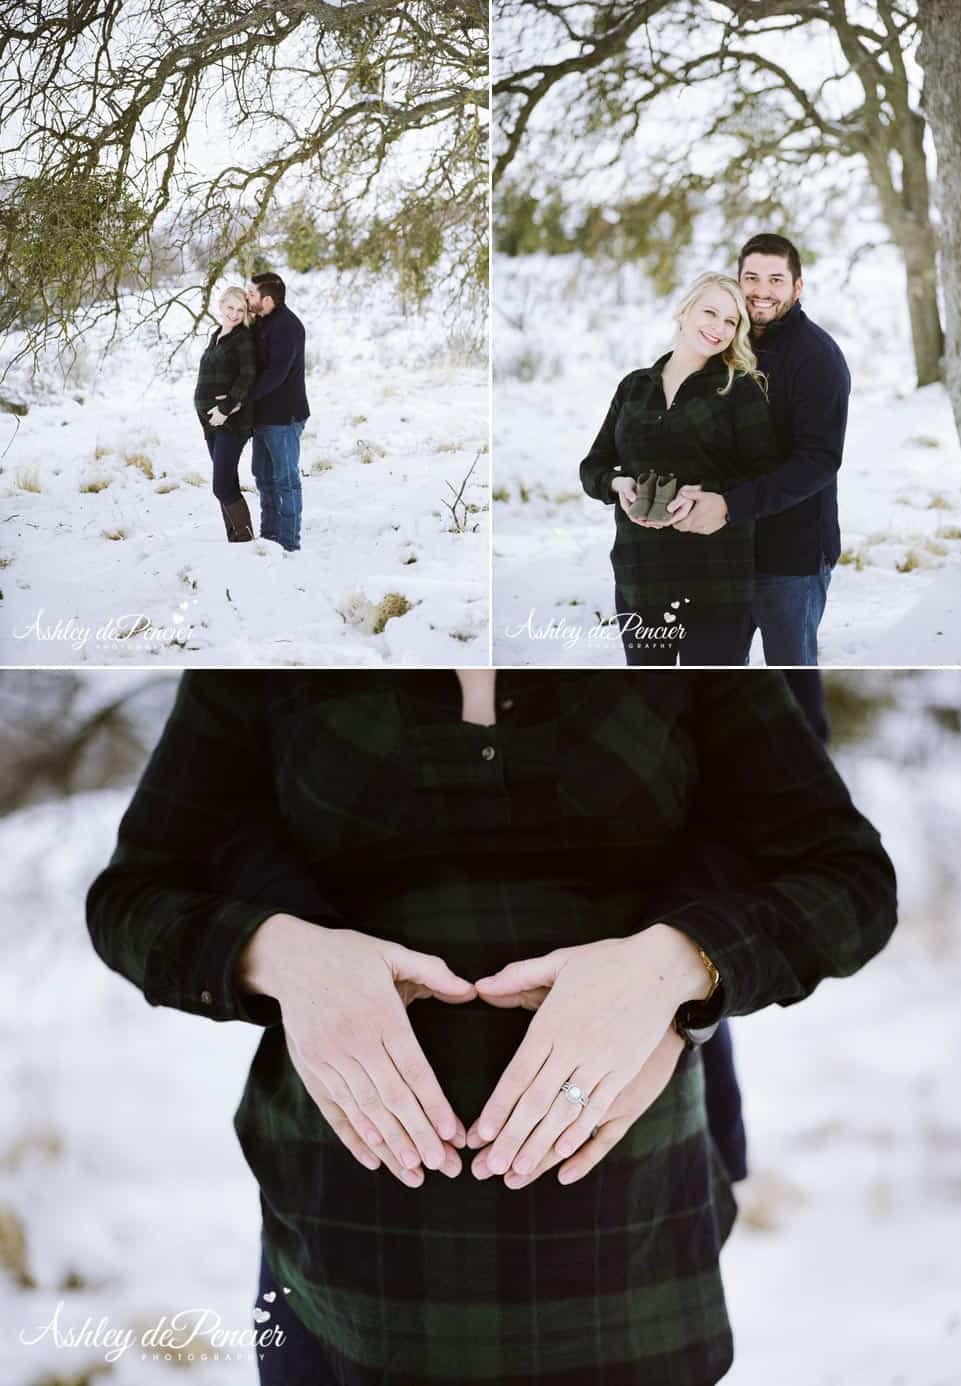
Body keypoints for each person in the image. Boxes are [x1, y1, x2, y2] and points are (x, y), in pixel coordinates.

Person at [85, 668, 897, 1385]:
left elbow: (847, 878)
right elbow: (135, 894)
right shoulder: (278, 647)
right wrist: (277, 956)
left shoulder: (666, 632)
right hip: (341, 1254)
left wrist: (683, 964)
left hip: (629, 1249)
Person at [579, 272, 782, 666]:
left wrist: (712, 497)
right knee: (648, 702)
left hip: (716, 580)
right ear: (683, 311)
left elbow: (766, 477)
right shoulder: (633, 388)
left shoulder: (738, 389)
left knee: (708, 708)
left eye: (731, 321)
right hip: (641, 574)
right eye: (710, 312)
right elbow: (593, 466)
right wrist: (617, 484)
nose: (719, 328)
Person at [668, 234, 851, 666]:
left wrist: (730, 506)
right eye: (751, 278)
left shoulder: (817, 358)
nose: (761, 291)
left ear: (797, 287)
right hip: (719, 552)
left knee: (788, 680)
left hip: (791, 557)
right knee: (709, 677)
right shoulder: (722, 345)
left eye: (776, 279)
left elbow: (819, 461)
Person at [246, 271, 310, 553]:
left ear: (267, 300)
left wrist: (242, 400)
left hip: (284, 417)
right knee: (262, 476)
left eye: (252, 294)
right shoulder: (261, 322)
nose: (248, 298)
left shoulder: (287, 327)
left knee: (286, 481)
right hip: (262, 417)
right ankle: (269, 536)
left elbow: (276, 374)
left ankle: (289, 543)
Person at [193, 286, 256, 542]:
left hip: (231, 423)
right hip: (211, 424)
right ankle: (236, 540)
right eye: (230, 307)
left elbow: (248, 376)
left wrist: (226, 408)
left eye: (240, 310)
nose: (234, 314)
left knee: (221, 485)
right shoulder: (216, 333)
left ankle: (245, 539)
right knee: (227, 483)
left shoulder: (242, 339)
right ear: (220, 305)